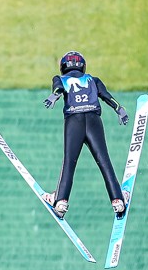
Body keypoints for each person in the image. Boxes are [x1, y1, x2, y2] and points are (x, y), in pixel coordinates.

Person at [42, 51, 129, 219]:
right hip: (94, 120)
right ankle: (118, 200)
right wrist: (119, 109)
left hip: (74, 121)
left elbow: (59, 88)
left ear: (63, 66)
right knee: (104, 160)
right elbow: (107, 96)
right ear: (83, 65)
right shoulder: (93, 80)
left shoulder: (59, 78)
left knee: (69, 162)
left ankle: (60, 202)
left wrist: (54, 96)